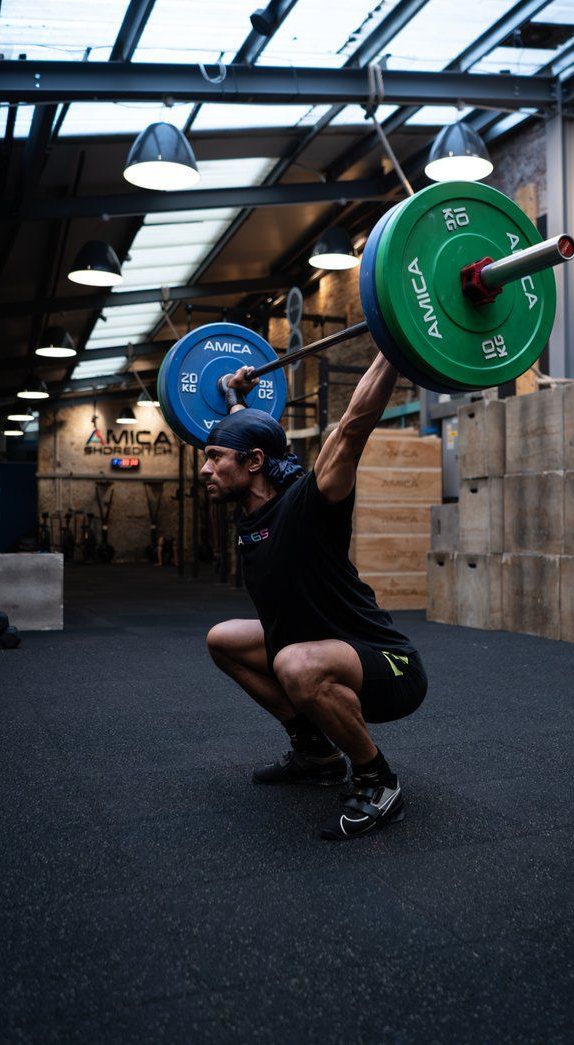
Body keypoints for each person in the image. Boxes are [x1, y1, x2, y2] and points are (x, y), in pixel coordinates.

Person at [201, 353, 428, 841]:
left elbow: (351, 428)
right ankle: (316, 753)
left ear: (254, 462)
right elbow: (245, 430)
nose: (205, 468)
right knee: (222, 639)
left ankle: (378, 781)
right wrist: (232, 395)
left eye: (214, 457)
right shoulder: (250, 505)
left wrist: (394, 345)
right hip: (315, 644)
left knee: (295, 666)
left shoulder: (311, 502)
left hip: (387, 665)